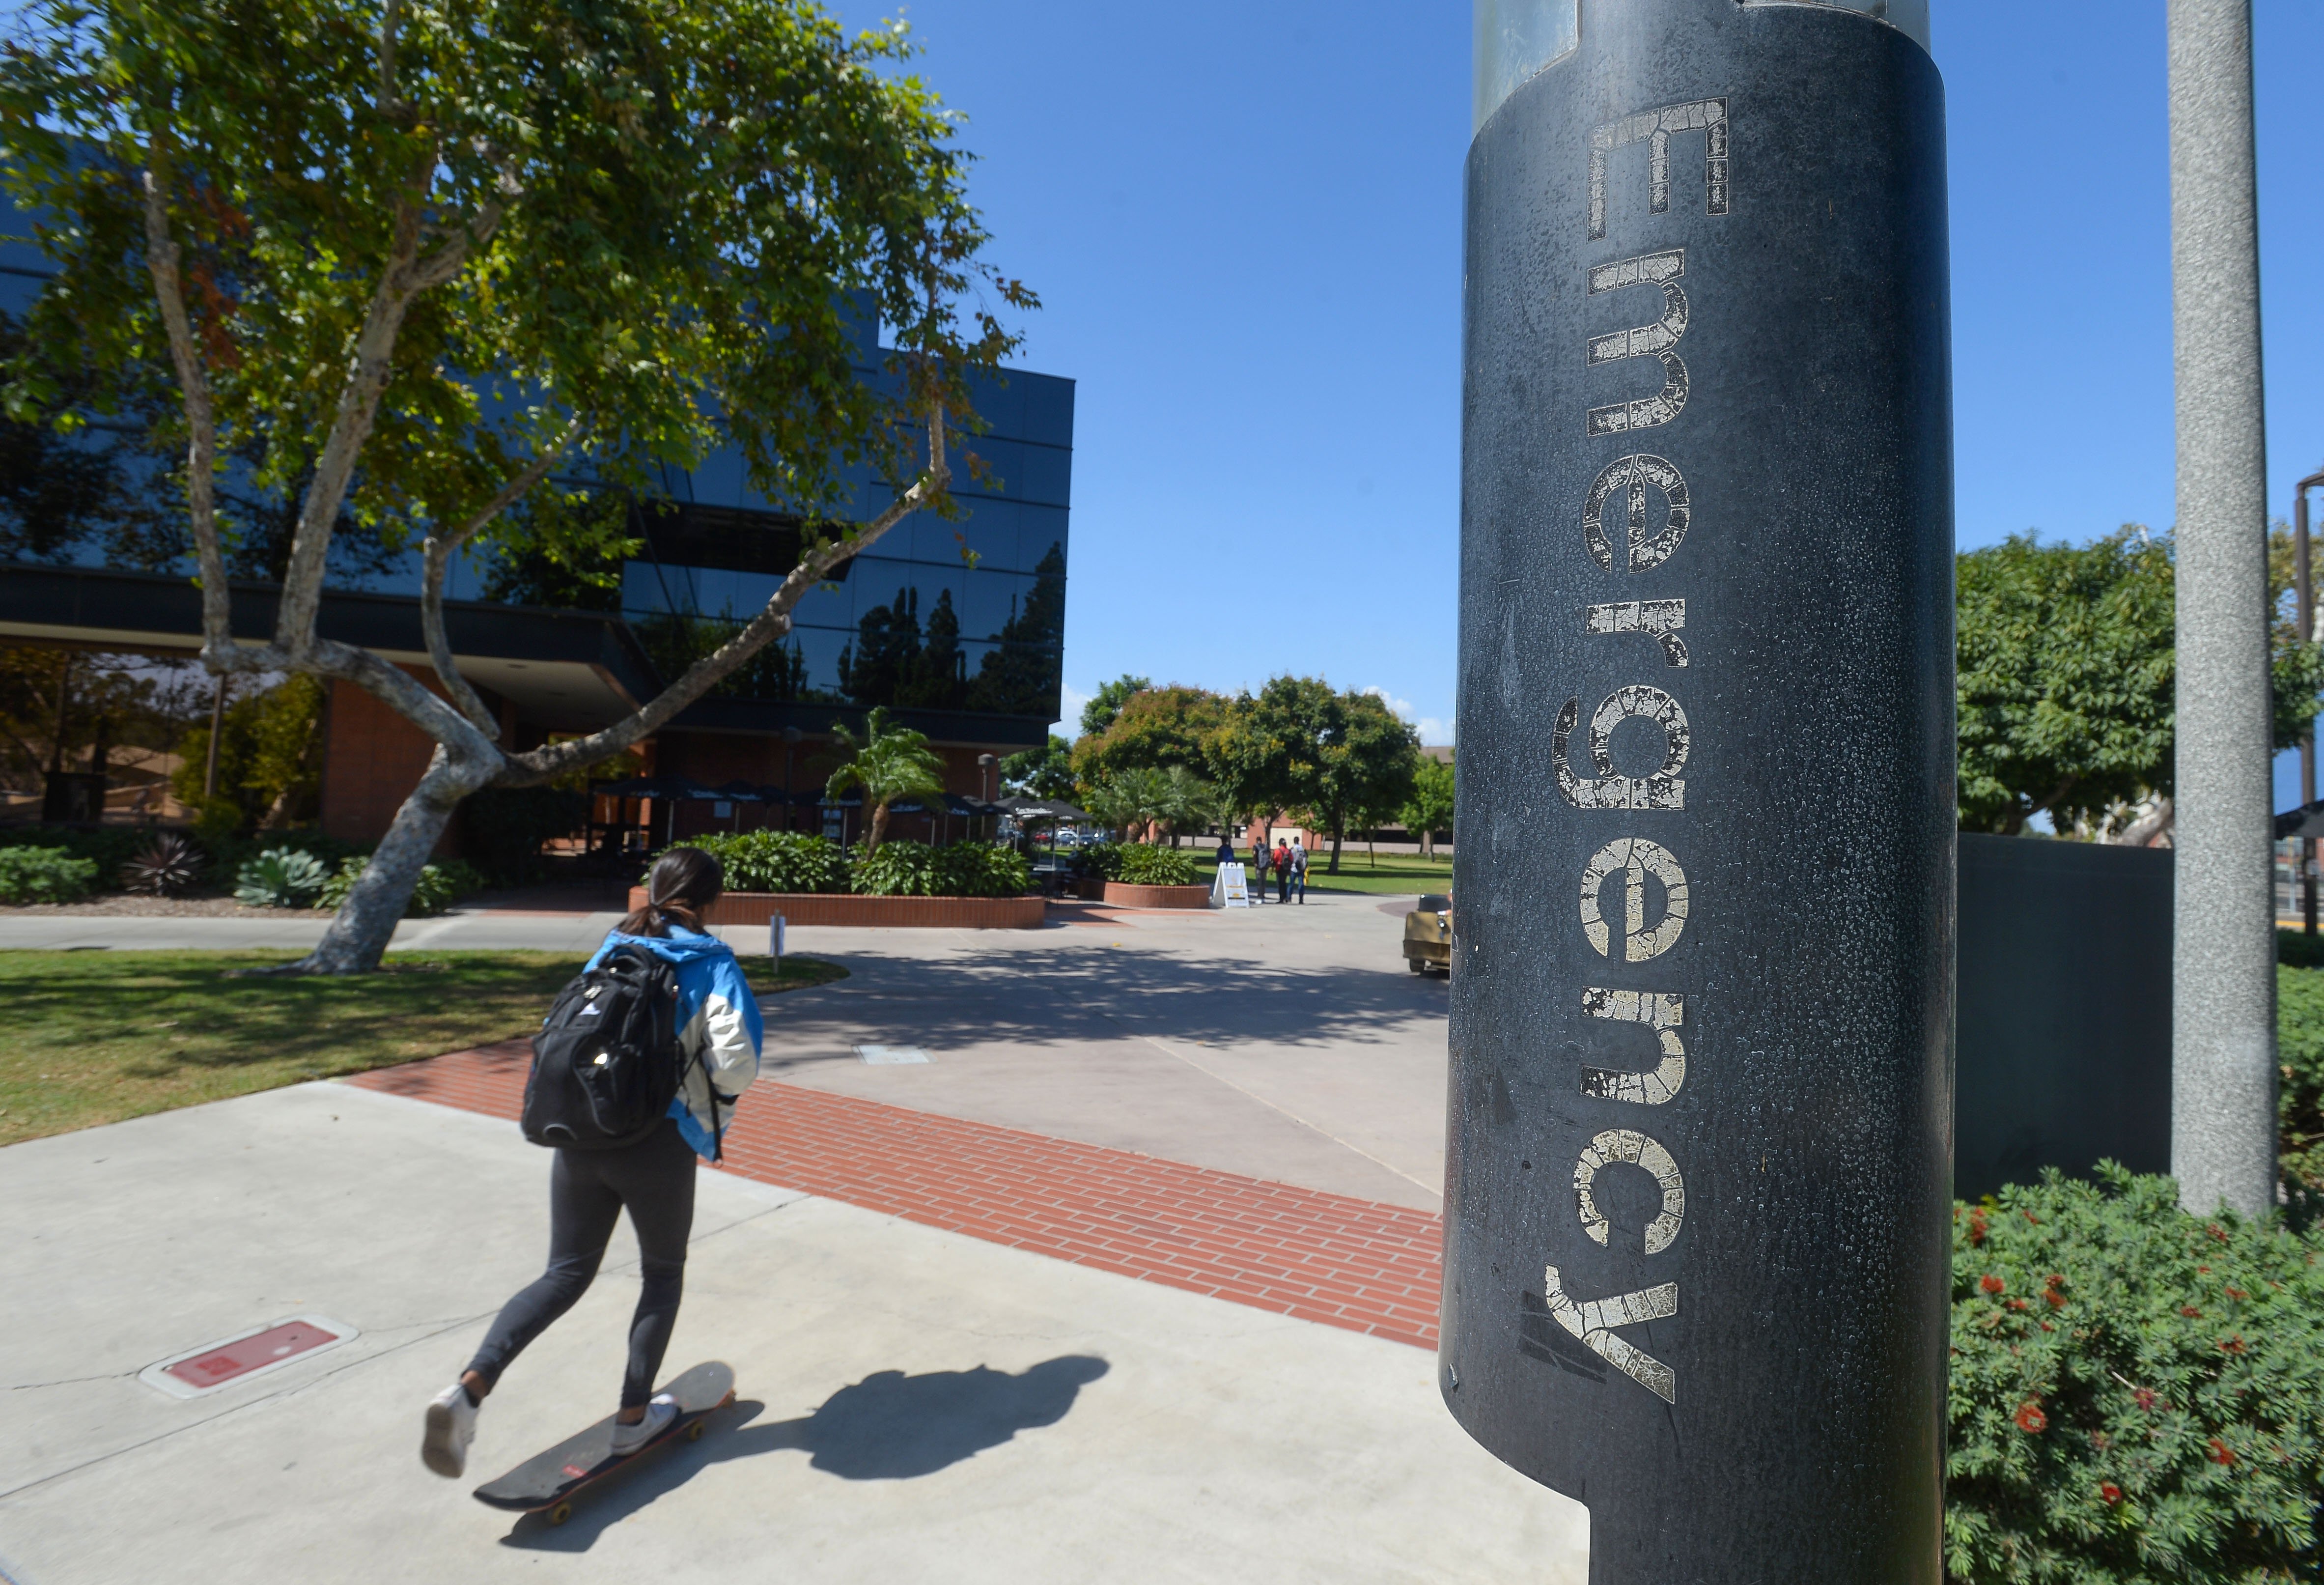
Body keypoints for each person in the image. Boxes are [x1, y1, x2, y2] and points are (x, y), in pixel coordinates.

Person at [420, 847, 763, 1479]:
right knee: (662, 1275)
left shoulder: (612, 948)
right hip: (657, 1143)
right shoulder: (709, 962)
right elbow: (737, 1062)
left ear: (653, 891)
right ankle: (632, 1422)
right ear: (712, 901)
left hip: (581, 1132)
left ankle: (469, 1388)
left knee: (564, 1274)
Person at [1248, 835, 1271, 902]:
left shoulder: (1256, 846)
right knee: (1264, 881)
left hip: (1259, 866)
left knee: (1259, 880)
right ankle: (1263, 894)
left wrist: (1255, 862)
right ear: (1261, 840)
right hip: (1265, 866)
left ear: (1257, 840)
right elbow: (1270, 855)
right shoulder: (1266, 846)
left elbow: (1255, 854)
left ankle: (1259, 895)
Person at [1288, 838, 1308, 904]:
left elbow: (1290, 858)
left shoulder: (1293, 849)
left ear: (1294, 841)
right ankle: (1301, 899)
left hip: (1294, 868)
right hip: (1301, 868)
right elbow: (1307, 856)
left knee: (1291, 884)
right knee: (1301, 884)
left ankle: (1289, 898)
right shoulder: (1303, 848)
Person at [1272, 839, 1292, 903]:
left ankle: (1281, 898)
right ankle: (1286, 897)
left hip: (1280, 868)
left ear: (1280, 844)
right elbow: (1292, 859)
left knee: (1280, 884)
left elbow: (1275, 859)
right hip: (1286, 869)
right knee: (1284, 883)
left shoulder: (1278, 851)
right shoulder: (1288, 851)